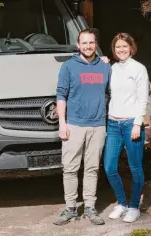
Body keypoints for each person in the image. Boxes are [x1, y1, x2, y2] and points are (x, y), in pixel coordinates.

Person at [53, 28, 111, 226]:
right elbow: (61, 95)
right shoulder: (68, 67)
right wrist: (62, 123)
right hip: (74, 125)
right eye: (84, 43)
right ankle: (70, 208)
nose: (88, 46)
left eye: (91, 42)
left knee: (92, 168)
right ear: (78, 45)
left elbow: (112, 91)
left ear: (96, 44)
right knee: (70, 168)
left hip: (98, 126)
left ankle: (89, 207)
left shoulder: (105, 67)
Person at [103, 32, 149, 223]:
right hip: (113, 123)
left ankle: (134, 206)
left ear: (131, 47)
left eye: (124, 46)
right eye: (117, 47)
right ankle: (122, 202)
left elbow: (143, 98)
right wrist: (101, 63)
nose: (121, 50)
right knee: (109, 167)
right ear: (114, 50)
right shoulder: (112, 68)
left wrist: (138, 123)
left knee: (135, 167)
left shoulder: (139, 69)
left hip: (132, 123)